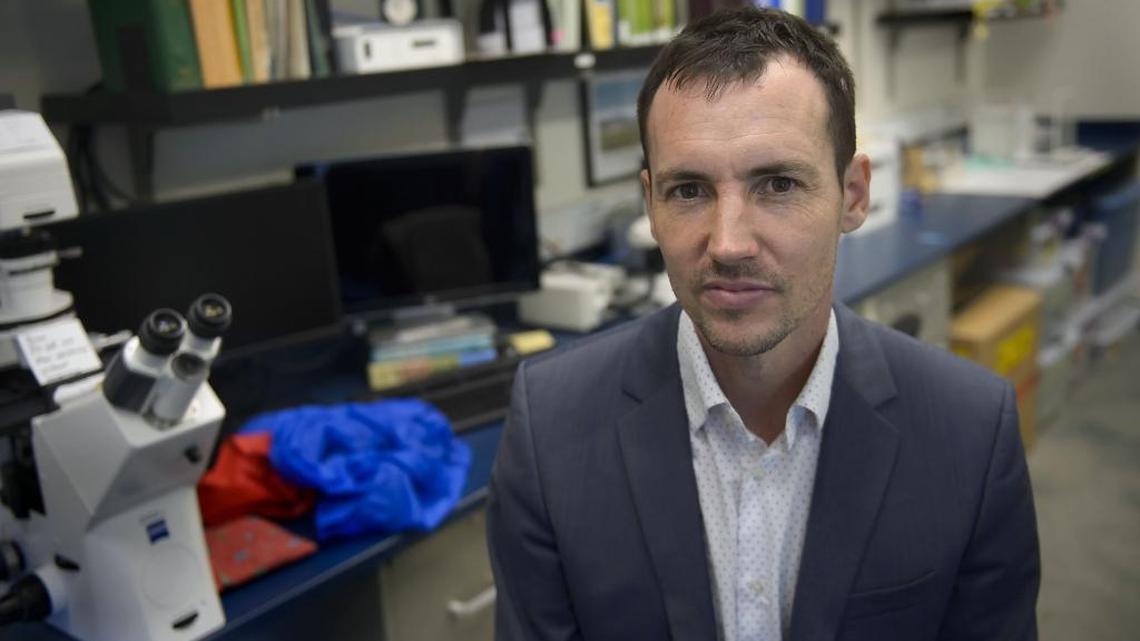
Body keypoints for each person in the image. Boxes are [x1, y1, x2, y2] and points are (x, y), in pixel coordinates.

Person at [486, 7, 1039, 641]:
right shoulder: (551, 429)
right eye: (688, 190)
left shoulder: (969, 433)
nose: (727, 243)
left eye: (777, 183)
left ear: (853, 195)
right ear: (650, 204)